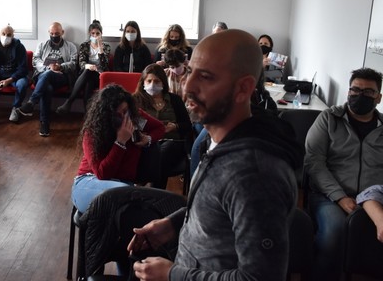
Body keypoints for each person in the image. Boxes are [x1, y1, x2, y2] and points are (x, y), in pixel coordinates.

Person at [128, 29, 302, 281]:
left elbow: (258, 277)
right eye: (190, 72)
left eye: (206, 77)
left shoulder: (256, 175)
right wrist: (174, 223)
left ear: (243, 88)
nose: (188, 86)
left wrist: (173, 275)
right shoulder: (212, 140)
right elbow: (218, 207)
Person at [304, 67, 383, 280]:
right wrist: (339, 197)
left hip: (374, 198)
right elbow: (314, 162)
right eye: (355, 90)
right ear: (348, 91)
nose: (360, 95)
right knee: (335, 233)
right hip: (329, 196)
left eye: (368, 92)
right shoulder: (328, 119)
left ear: (378, 97)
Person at [71, 84, 166, 214]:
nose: (124, 117)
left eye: (126, 110)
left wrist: (148, 139)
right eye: (118, 114)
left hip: (124, 187)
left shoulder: (134, 116)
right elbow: (102, 174)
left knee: (129, 206)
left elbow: (159, 128)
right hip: (90, 182)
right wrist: (120, 142)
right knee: (128, 198)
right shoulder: (93, 131)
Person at [133, 64, 193, 189]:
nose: (152, 84)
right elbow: (131, 124)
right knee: (155, 152)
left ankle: (148, 186)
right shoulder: (135, 100)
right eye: (149, 81)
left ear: (163, 82)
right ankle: (156, 192)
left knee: (164, 150)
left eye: (156, 81)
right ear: (143, 82)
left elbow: (187, 125)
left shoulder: (175, 100)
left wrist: (175, 126)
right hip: (146, 143)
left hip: (172, 142)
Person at [18, 22, 77, 137]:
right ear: (49, 33)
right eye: (52, 33)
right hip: (43, 75)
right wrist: (47, 68)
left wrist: (60, 66)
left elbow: (74, 64)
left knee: (49, 75)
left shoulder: (71, 46)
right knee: (47, 88)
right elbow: (35, 60)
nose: (54, 35)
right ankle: (45, 123)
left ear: (62, 33)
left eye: (57, 33)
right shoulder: (42, 45)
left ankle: (31, 103)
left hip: (61, 76)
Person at [56, 20, 111, 114]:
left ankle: (69, 102)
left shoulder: (106, 46)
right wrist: (88, 65)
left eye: (97, 33)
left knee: (89, 78)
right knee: (88, 77)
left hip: (99, 75)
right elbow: (81, 62)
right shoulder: (84, 45)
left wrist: (100, 48)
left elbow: (104, 65)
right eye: (93, 33)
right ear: (89, 34)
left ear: (101, 34)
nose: (95, 36)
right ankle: (88, 116)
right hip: (86, 74)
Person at [0, 24, 29, 124]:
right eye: (3, 34)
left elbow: (23, 69)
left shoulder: (19, 47)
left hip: (15, 76)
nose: (6, 37)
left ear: (13, 36)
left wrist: (9, 80)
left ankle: (16, 108)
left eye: (9, 35)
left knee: (22, 84)